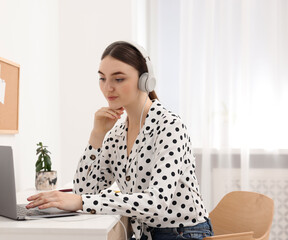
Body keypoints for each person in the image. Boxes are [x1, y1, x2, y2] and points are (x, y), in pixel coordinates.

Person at [26, 41, 214, 240]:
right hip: (143, 234)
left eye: (118, 79)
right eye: (102, 78)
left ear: (145, 81)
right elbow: (85, 190)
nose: (108, 88)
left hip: (183, 233)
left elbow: (157, 203)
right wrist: (97, 135)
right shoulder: (116, 135)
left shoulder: (169, 127)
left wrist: (81, 201)